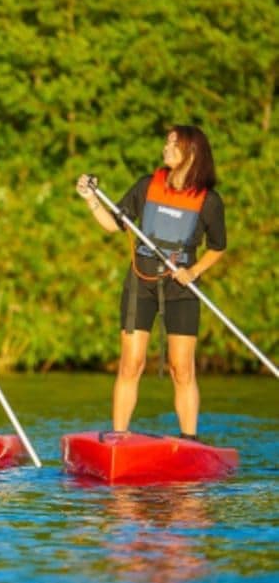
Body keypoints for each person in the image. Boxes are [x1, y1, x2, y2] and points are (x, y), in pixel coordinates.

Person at [76, 125, 225, 438]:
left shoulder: (209, 201)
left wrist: (194, 271)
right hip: (140, 283)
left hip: (181, 286)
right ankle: (119, 436)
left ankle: (189, 440)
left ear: (192, 152)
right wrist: (91, 199)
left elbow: (217, 247)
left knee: (181, 367)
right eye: (166, 142)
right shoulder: (146, 186)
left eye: (174, 144)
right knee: (131, 362)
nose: (166, 148)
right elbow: (113, 224)